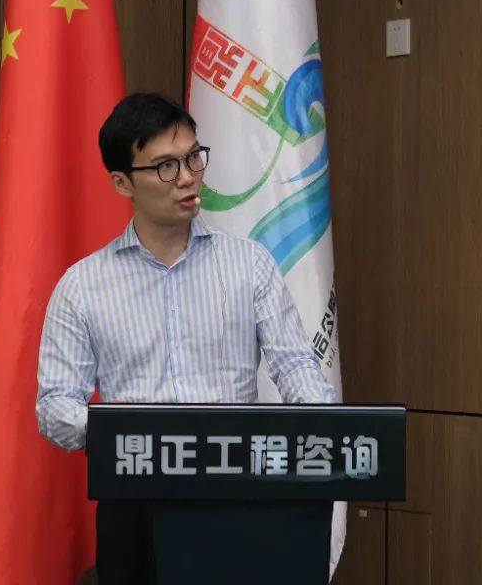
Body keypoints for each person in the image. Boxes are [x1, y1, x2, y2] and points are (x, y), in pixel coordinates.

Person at [35, 92, 335, 584]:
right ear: (122, 182)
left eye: (194, 157)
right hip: (134, 501)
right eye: (166, 166)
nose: (189, 177)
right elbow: (55, 407)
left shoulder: (249, 264)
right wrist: (130, 433)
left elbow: (295, 366)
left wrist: (327, 427)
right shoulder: (83, 286)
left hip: (235, 491)